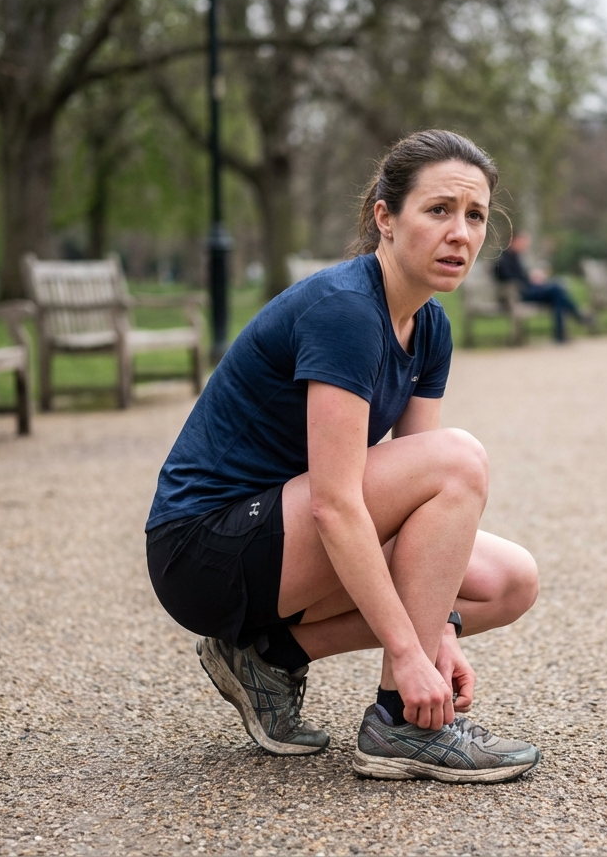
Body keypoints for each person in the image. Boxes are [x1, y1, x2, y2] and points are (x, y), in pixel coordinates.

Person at [145, 130, 541, 784]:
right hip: (205, 550)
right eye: (438, 210)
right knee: (459, 460)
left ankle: (268, 657)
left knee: (508, 582)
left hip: (281, 539)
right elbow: (337, 503)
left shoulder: (430, 324)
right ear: (385, 218)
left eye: (474, 216)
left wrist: (440, 629)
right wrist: (408, 653)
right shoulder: (347, 311)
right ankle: (402, 723)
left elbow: (421, 497)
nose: (461, 233)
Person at [493, 231, 592, 342]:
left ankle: (562, 334)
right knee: (557, 289)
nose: (525, 245)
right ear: (513, 241)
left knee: (558, 296)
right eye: (523, 242)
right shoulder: (503, 259)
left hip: (527, 289)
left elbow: (521, 276)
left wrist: (533, 278)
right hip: (518, 293)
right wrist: (529, 279)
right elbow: (508, 278)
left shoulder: (516, 257)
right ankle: (577, 317)